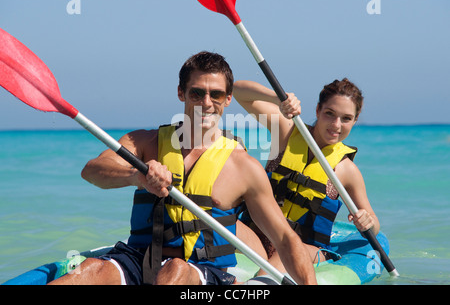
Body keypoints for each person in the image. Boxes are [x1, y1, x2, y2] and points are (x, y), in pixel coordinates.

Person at [49, 51, 317, 285]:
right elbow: (93, 171)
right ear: (181, 93)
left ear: (228, 99)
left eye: (216, 94)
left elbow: (285, 239)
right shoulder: (144, 143)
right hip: (136, 260)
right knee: (90, 269)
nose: (206, 103)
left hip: (203, 273)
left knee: (176, 271)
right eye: (197, 93)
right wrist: (137, 176)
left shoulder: (244, 167)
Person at [233, 79, 380, 272]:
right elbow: (236, 90)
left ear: (355, 119)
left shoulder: (347, 171)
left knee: (288, 251)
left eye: (346, 118)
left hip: (308, 249)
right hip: (259, 236)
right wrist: (279, 99)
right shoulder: (286, 132)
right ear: (318, 110)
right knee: (218, 219)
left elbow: (374, 225)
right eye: (330, 114)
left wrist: (367, 221)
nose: (336, 125)